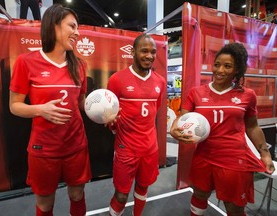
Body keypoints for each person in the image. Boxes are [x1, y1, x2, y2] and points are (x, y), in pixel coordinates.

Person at [170, 42, 275, 216]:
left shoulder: (247, 95)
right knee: (199, 194)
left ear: (237, 70)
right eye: (217, 64)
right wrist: (174, 128)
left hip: (234, 160)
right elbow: (183, 117)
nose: (219, 70)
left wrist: (265, 154)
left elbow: (253, 126)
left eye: (227, 66)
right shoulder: (195, 93)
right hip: (204, 156)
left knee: (234, 207)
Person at [9, 4, 91, 216]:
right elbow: (14, 106)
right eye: (71, 26)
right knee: (45, 205)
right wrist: (41, 110)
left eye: (78, 27)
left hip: (76, 145)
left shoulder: (80, 65)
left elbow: (81, 102)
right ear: (53, 27)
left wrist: (102, 109)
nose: (77, 32)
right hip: (43, 150)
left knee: (77, 195)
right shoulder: (26, 62)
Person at [107, 34, 166, 216]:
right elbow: (110, 114)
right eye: (144, 51)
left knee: (143, 187)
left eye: (153, 52)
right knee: (122, 195)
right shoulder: (117, 79)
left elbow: (154, 112)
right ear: (133, 52)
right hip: (126, 149)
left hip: (150, 148)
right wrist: (111, 123)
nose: (149, 56)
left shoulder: (160, 82)